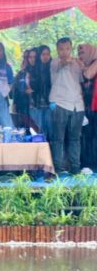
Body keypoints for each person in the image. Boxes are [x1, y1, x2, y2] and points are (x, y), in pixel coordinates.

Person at [49, 37, 85, 175]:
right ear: (57, 50)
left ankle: (75, 168)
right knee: (58, 138)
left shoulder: (77, 63)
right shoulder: (54, 62)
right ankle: (58, 168)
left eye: (67, 49)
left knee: (75, 138)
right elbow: (63, 63)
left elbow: (82, 79)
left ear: (71, 48)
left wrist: (83, 65)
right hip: (60, 103)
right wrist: (70, 60)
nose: (64, 52)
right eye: (61, 49)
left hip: (78, 105)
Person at [78, 43, 97, 172]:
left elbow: (88, 75)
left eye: (82, 53)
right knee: (86, 136)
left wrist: (82, 67)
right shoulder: (85, 65)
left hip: (95, 106)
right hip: (87, 107)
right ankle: (87, 164)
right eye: (79, 53)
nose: (80, 56)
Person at [29, 44, 53, 139]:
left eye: (48, 54)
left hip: (50, 104)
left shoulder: (53, 68)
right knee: (39, 131)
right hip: (37, 105)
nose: (45, 56)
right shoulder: (33, 69)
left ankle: (51, 152)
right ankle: (42, 152)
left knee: (51, 130)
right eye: (43, 54)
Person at [10, 48, 36, 129]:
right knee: (23, 128)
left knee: (35, 128)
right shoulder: (21, 73)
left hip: (34, 106)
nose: (26, 60)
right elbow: (15, 91)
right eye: (25, 57)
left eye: (32, 57)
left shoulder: (38, 71)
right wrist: (14, 104)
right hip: (21, 106)